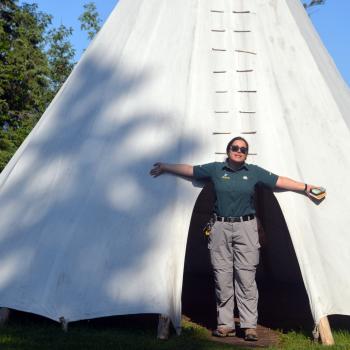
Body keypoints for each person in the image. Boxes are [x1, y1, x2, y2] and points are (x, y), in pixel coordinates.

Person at [149, 136, 321, 341]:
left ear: (247, 153)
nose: (238, 151)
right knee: (222, 276)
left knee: (246, 277)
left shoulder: (254, 172)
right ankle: (225, 324)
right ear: (228, 149)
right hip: (220, 226)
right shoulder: (215, 169)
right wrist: (166, 167)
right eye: (235, 147)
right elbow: (191, 169)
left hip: (246, 227)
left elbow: (279, 181)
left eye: (243, 149)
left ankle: (249, 326)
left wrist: (306, 187)